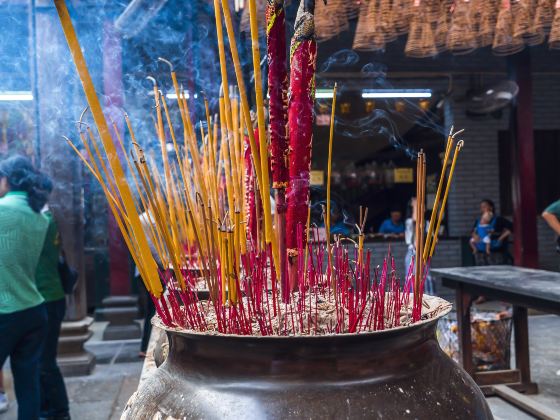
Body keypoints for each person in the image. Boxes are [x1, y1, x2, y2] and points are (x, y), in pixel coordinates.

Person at [0, 155, 50, 420]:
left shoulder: (3, 210)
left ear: (7, 178)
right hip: (32, 310)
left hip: (4, 311)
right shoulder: (39, 215)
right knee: (28, 388)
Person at [35, 185, 71, 420]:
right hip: (52, 296)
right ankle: (51, 409)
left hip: (47, 297)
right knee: (43, 359)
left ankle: (58, 410)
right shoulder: (49, 218)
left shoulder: (42, 222)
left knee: (45, 360)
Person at [404, 198, 435, 295]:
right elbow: (415, 221)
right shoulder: (409, 221)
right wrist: (415, 205)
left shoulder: (427, 223)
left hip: (423, 253)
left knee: (425, 277)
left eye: (422, 206)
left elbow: (433, 238)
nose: (421, 208)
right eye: (418, 206)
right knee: (412, 278)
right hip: (412, 253)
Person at [471, 199, 513, 266]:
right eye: (481, 207)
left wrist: (501, 238)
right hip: (480, 252)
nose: (482, 209)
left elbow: (512, 228)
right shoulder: (478, 221)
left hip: (495, 252)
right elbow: (473, 232)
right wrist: (475, 236)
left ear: (491, 207)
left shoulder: (499, 219)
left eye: (484, 206)